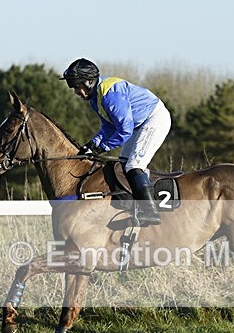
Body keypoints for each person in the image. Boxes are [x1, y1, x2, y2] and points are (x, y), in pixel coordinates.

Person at [60, 58, 171, 225]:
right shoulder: (95, 98)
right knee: (123, 165)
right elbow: (109, 126)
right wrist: (92, 144)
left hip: (153, 119)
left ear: (89, 82)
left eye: (77, 86)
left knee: (134, 166)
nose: (76, 91)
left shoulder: (109, 94)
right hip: (138, 124)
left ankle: (151, 211)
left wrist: (102, 148)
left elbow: (124, 130)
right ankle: (134, 205)